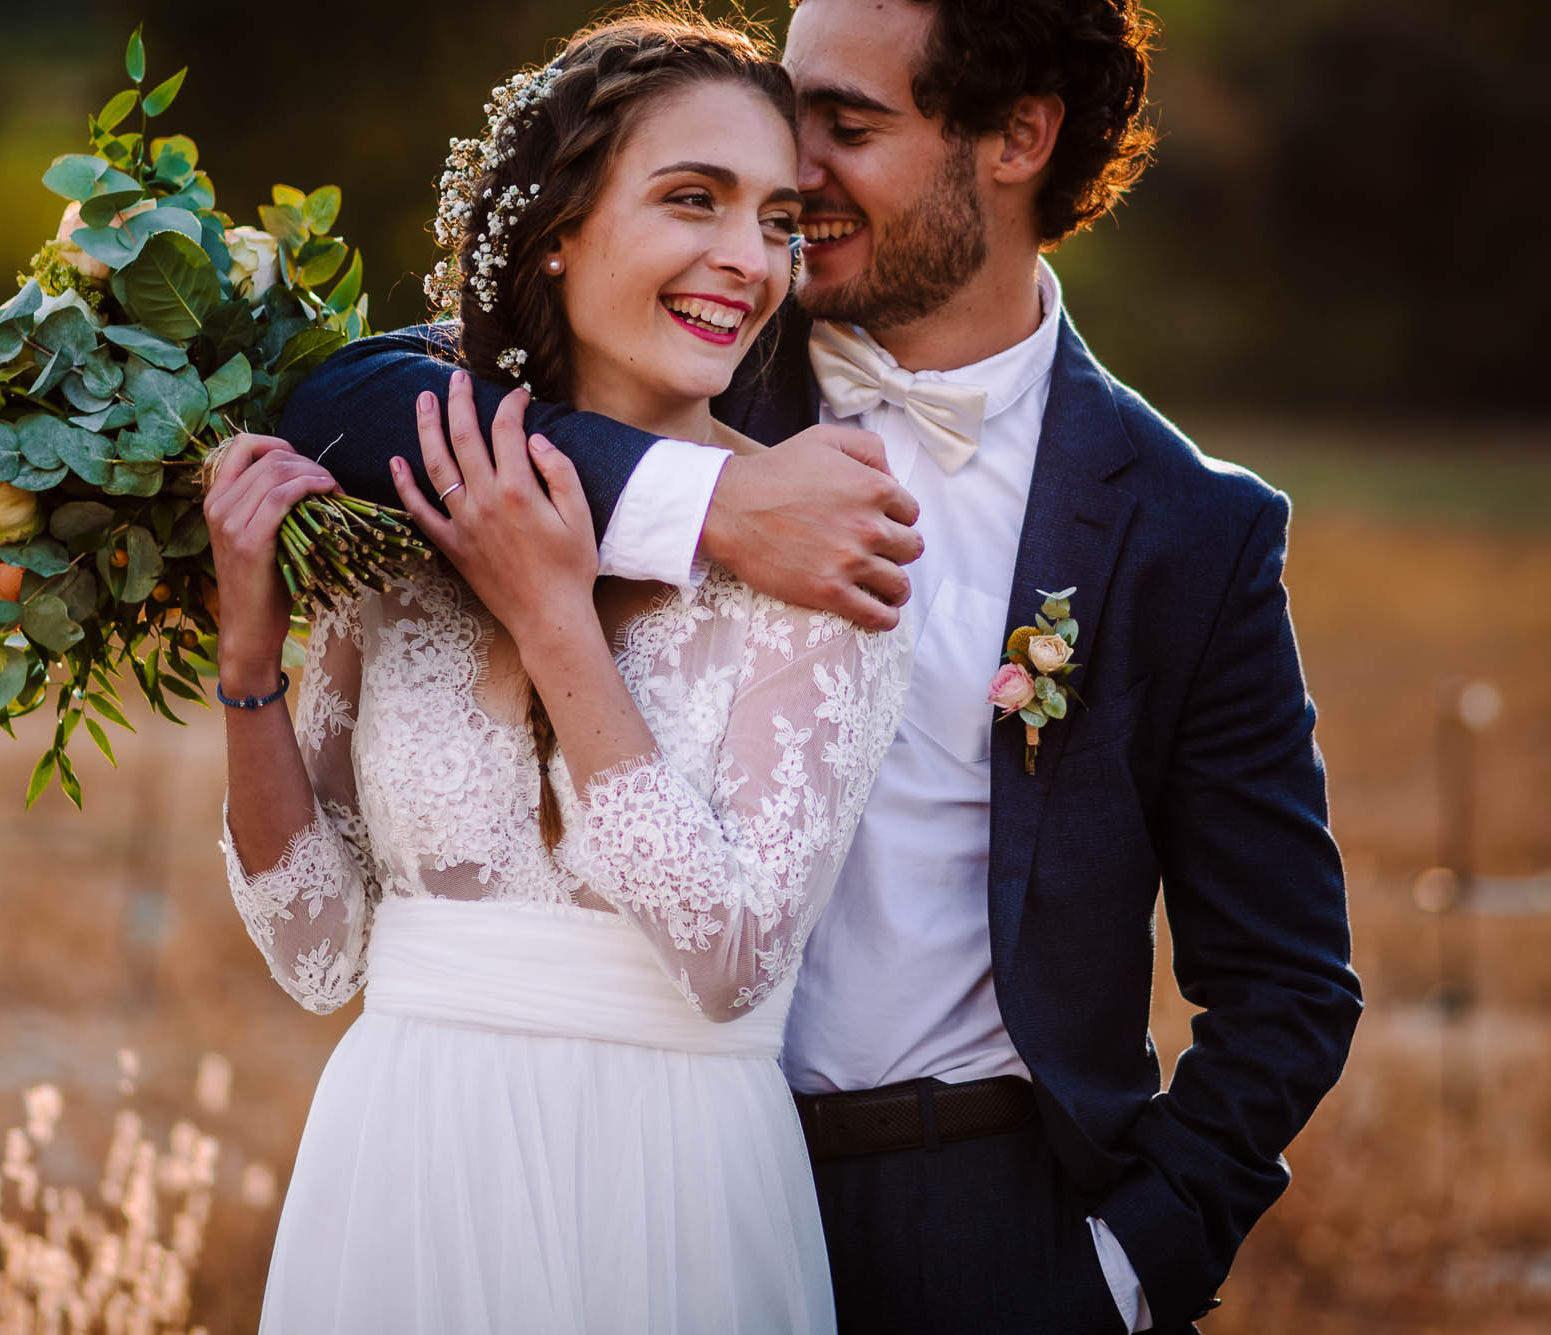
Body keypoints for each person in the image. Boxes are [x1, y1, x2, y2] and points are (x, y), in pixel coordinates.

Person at [273, 1, 1363, 1331]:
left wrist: (1118, 1274)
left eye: (847, 127)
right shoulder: (693, 345)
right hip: (654, 1167)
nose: (795, 170)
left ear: (1018, 136)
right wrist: (707, 502)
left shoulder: (1188, 526)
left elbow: (1289, 986)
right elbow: (347, 401)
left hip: (984, 1210)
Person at [204, 13, 910, 1332]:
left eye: (775, 221)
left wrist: (557, 629)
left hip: (666, 1190)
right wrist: (250, 666)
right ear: (557, 236)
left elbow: (730, 961)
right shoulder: (406, 533)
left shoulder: (815, 549)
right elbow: (316, 950)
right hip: (403, 1169)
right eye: (692, 200)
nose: (746, 259)